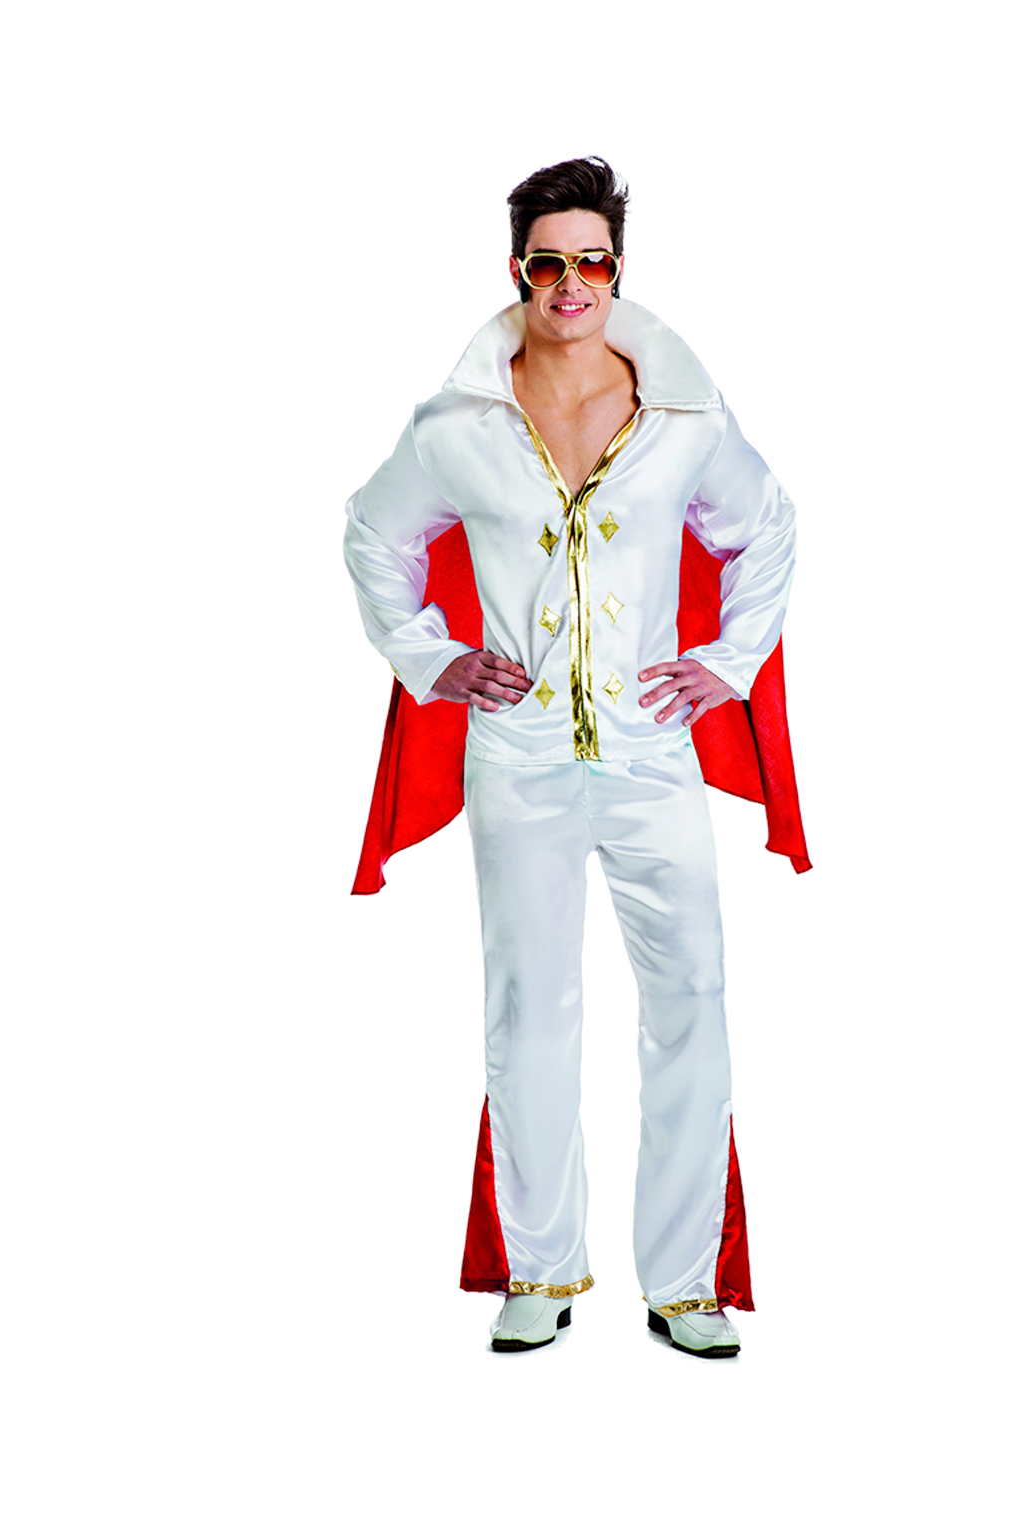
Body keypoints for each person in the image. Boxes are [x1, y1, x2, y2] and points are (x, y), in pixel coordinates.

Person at [344, 156, 808, 1357]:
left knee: (690, 1001)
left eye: (589, 262)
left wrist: (727, 663)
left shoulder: (685, 414)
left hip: (653, 754)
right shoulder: (455, 425)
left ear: (615, 270)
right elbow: (372, 534)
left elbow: (763, 527)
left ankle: (686, 1283)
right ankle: (539, 1268)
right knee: (528, 1010)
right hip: (519, 755)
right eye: (547, 262)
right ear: (518, 270)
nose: (569, 284)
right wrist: (431, 656)